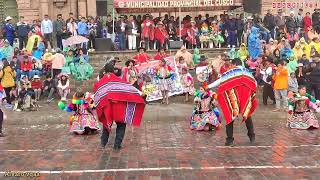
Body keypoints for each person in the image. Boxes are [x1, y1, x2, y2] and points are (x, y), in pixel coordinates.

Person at [94, 59, 145, 151]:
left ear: (104, 71)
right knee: (121, 125)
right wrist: (140, 95)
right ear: (113, 70)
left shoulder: (99, 83)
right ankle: (117, 145)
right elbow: (129, 89)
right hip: (119, 108)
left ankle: (103, 142)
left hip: (106, 107)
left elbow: (97, 96)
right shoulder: (119, 81)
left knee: (106, 124)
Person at [208, 64, 257, 146]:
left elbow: (221, 80)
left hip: (234, 96)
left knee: (230, 115)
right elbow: (254, 84)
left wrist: (208, 87)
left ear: (234, 64)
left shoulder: (232, 72)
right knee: (247, 114)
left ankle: (229, 140)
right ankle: (251, 136)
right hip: (245, 97)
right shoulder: (248, 73)